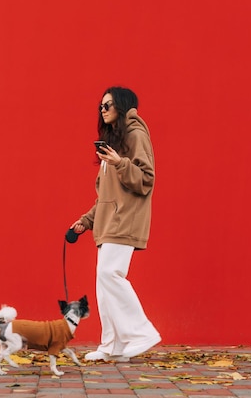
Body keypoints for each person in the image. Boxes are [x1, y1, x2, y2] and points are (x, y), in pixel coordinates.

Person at [70, 86, 161, 361]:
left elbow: (146, 179)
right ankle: (111, 345)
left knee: (111, 275)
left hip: (126, 220)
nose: (103, 109)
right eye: (101, 105)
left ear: (122, 106)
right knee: (103, 281)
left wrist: (121, 163)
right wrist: (86, 221)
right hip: (110, 223)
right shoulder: (115, 142)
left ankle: (142, 333)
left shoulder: (135, 134)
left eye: (108, 105)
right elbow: (106, 197)